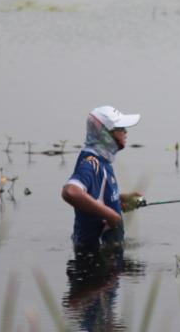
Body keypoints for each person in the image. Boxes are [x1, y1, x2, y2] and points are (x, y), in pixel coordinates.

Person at [62, 105, 144, 254]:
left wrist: (118, 200)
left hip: (104, 259)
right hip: (94, 257)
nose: (126, 132)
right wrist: (111, 214)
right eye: (121, 128)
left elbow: (95, 197)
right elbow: (70, 192)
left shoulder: (103, 160)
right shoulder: (92, 163)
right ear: (105, 134)